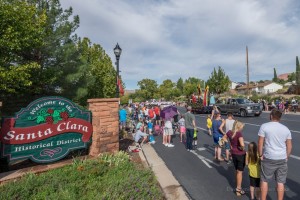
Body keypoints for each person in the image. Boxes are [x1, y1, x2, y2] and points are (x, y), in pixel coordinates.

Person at [258, 109, 292, 200]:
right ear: (280, 117)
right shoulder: (286, 129)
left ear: (271, 116)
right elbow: (289, 145)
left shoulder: (264, 126)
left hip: (269, 157)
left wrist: (260, 155)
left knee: (264, 180)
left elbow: (260, 143)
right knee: (280, 182)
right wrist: (287, 157)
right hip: (282, 158)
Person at [223, 120, 246, 196]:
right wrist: (242, 147)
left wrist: (230, 145)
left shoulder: (229, 132)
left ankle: (237, 186)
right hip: (240, 154)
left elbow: (224, 138)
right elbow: (242, 145)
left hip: (233, 153)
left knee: (237, 170)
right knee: (240, 172)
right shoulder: (239, 134)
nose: (242, 129)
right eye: (242, 127)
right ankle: (238, 189)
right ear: (238, 127)